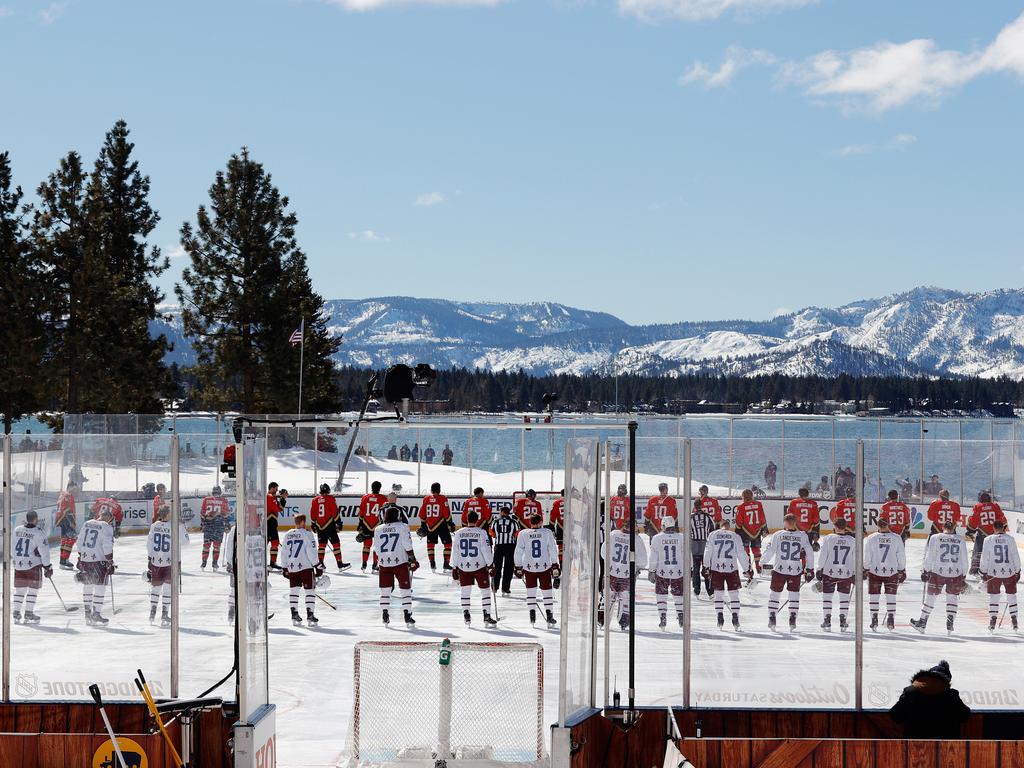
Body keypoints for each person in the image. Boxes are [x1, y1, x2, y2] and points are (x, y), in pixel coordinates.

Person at [912, 520, 968, 635]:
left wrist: (926, 571)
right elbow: (964, 559)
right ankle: (950, 623)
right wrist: (963, 574)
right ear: (954, 528)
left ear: (943, 527)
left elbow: (930, 556)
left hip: (938, 572)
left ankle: (922, 622)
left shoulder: (935, 537)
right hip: (955, 573)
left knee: (930, 598)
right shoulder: (960, 540)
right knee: (952, 598)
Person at [889, 660, 971, 738]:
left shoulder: (910, 692)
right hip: (945, 746)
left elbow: (895, 715)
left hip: (914, 745)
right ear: (946, 681)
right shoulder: (951, 695)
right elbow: (965, 716)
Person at [761, 513, 814, 632]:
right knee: (794, 595)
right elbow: (809, 553)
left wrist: (761, 561)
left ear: (785, 523)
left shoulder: (778, 534)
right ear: (795, 523)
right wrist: (810, 569)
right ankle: (792, 618)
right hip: (795, 570)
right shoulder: (803, 536)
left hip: (779, 569)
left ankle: (772, 617)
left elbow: (770, 551)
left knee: (774, 594)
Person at [373, 506, 419, 626]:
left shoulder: (378, 529)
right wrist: (413, 559)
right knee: (405, 590)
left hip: (384, 563)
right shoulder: (403, 527)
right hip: (400, 562)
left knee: (385, 591)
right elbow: (407, 545)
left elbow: (376, 549)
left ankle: (385, 614)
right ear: (397, 516)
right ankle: (407, 614)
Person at [702, 518, 750, 631]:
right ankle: (735, 617)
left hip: (716, 568)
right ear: (728, 526)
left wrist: (706, 565)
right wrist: (747, 568)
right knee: (734, 594)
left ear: (720, 526)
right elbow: (741, 554)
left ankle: (719, 617)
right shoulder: (735, 536)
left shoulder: (713, 535)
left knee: (718, 594)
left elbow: (708, 551)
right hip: (731, 568)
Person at [450, 511, 498, 626]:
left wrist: (454, 566)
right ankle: (486, 615)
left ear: (466, 519)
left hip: (463, 567)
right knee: (485, 591)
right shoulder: (481, 532)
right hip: (479, 567)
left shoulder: (459, 533)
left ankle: (466, 615)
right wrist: (491, 565)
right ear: (477, 520)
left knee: (465, 592)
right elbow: (486, 550)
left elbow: (455, 551)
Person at [513, 514, 559, 628]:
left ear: (530, 522)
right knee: (547, 592)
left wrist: (518, 566)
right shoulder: (547, 532)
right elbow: (553, 549)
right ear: (540, 522)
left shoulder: (523, 533)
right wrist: (555, 564)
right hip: (544, 566)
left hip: (529, 567)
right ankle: (549, 615)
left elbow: (518, 551)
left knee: (531, 592)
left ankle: (532, 615)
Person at [147, 506, 187, 627]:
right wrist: (182, 526)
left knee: (156, 588)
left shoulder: (154, 525)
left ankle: (152, 612)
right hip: (170, 562)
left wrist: (150, 558)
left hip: (156, 562)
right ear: (168, 514)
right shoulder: (174, 526)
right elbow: (185, 542)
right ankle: (164, 614)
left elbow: (149, 543)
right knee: (168, 589)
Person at [863, 518, 907, 632]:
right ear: (889, 525)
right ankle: (891, 618)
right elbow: (901, 556)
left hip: (874, 571)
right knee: (891, 596)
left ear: (878, 526)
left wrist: (865, 568)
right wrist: (902, 570)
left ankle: (874, 619)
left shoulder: (871, 538)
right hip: (891, 571)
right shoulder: (897, 538)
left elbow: (867, 556)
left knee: (874, 596)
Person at [605, 517, 647, 630]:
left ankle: (601, 619)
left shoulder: (613, 534)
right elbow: (643, 561)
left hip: (611, 572)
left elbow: (604, 552)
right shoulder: (636, 539)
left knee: (608, 597)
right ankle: (623, 622)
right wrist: (637, 568)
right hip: (627, 575)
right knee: (625, 599)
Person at [980, 519, 1021, 633]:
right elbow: (1015, 556)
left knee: (994, 597)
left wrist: (983, 572)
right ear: (1003, 528)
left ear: (993, 528)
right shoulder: (1010, 539)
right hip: (1009, 572)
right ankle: (1014, 621)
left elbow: (985, 557)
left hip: (994, 572)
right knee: (1011, 596)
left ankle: (992, 621)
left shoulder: (988, 540)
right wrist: (1018, 571)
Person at [76, 508, 115, 625]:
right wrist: (110, 560)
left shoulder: (87, 523)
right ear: (108, 517)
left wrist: (81, 555)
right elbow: (107, 544)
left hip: (85, 559)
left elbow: (79, 542)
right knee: (100, 587)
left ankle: (87, 614)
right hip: (99, 561)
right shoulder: (106, 526)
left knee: (87, 586)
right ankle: (96, 614)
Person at [282, 514, 322, 627]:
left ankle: (294, 613)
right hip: (305, 567)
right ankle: (310, 614)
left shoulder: (287, 534)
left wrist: (285, 567)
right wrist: (317, 565)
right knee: (310, 591)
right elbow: (311, 551)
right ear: (303, 522)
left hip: (292, 568)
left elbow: (284, 552)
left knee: (294, 591)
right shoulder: (307, 534)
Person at [816, 517, 855, 632]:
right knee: (844, 598)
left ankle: (827, 620)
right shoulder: (852, 540)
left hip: (830, 572)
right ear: (845, 527)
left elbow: (823, 555)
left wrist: (819, 569)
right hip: (846, 573)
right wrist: (854, 572)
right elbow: (854, 558)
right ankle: (843, 621)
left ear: (835, 527)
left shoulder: (829, 538)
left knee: (827, 597)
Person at [12, 510, 52, 624]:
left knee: (19, 590)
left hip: (18, 565)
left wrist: (17, 560)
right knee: (33, 590)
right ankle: (29, 613)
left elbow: (12, 548)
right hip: (32, 566)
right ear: (35, 519)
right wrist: (48, 566)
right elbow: (44, 552)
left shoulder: (17, 529)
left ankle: (16, 612)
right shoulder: (39, 532)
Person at [648, 516, 686, 630]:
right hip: (677, 571)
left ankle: (663, 617)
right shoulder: (681, 537)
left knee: (661, 595)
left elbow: (653, 557)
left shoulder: (657, 538)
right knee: (678, 595)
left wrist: (651, 570)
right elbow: (686, 555)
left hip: (662, 571)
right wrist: (689, 569)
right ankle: (680, 615)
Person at [310, 484, 350, 572]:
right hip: (329, 525)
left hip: (320, 526)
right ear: (328, 490)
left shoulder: (314, 500)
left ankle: (320, 564)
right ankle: (340, 564)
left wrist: (313, 524)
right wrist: (339, 523)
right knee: (336, 544)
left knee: (321, 546)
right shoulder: (331, 498)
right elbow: (334, 512)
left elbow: (313, 513)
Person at [418, 482, 455, 571]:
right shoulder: (443, 498)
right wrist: (450, 523)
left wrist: (423, 525)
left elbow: (422, 513)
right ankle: (446, 563)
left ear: (431, 490)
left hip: (430, 525)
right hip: (441, 524)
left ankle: (432, 563)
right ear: (439, 490)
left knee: (430, 545)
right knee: (448, 544)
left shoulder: (426, 498)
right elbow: (446, 512)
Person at [967, 492, 1006, 575]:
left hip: (982, 534)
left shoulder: (978, 506)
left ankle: (975, 570)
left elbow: (973, 521)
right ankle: (998, 569)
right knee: (995, 552)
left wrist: (970, 530)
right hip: (994, 534)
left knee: (978, 552)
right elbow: (1003, 519)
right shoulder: (995, 506)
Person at [734, 489, 768, 574]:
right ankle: (758, 566)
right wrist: (765, 529)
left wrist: (737, 532)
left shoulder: (741, 507)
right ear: (752, 496)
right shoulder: (759, 504)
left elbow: (739, 522)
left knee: (746, 550)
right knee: (756, 549)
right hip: (757, 530)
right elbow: (762, 518)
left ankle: (748, 568)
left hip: (745, 532)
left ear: (743, 497)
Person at [490, 504, 520, 596]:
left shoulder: (495, 521)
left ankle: (495, 587)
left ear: (501, 512)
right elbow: (517, 534)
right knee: (508, 568)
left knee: (497, 567)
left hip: (499, 546)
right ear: (508, 513)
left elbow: (491, 533)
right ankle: (505, 588)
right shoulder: (514, 522)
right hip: (510, 547)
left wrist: (497, 536)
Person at [358, 481, 388, 571]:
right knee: (377, 546)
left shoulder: (365, 497)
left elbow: (361, 513)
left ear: (371, 487)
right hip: (378, 525)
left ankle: (364, 563)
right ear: (379, 488)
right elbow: (385, 513)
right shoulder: (383, 499)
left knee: (366, 546)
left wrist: (360, 524)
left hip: (366, 524)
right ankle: (375, 564)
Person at [690, 497, 717, 596]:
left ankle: (696, 589)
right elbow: (713, 531)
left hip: (695, 544)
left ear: (694, 506)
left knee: (696, 567)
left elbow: (688, 532)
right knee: (707, 566)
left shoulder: (691, 517)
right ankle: (710, 590)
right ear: (702, 505)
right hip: (706, 544)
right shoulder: (708, 516)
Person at [199, 485, 229, 570]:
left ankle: (203, 563)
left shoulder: (206, 499)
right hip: (218, 525)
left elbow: (202, 513)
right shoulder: (224, 500)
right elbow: (226, 514)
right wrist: (227, 524)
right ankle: (214, 564)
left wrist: (203, 523)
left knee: (206, 545)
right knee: (216, 546)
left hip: (208, 524)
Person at [55, 480, 78, 570]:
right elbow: (67, 510)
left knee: (65, 540)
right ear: (70, 487)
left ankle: (63, 560)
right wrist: (72, 522)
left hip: (62, 520)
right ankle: (64, 560)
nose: (75, 491)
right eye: (74, 488)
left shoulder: (62, 494)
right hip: (66, 520)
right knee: (70, 540)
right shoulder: (68, 496)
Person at [789, 487, 821, 551]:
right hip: (808, 530)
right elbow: (816, 519)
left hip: (796, 530)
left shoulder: (793, 502)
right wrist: (811, 528)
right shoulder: (813, 503)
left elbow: (789, 516)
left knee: (788, 520)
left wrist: (795, 528)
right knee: (817, 523)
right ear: (808, 494)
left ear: (799, 494)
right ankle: (815, 540)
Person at [266, 482, 284, 570]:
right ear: (271, 488)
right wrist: (283, 499)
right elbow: (278, 509)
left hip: (270, 523)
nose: (277, 491)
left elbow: (279, 508)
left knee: (274, 543)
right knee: (274, 543)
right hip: (270, 523)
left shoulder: (272, 497)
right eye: (276, 489)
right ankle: (272, 563)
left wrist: (282, 499)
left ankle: (272, 563)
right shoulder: (270, 497)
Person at [549, 490, 564, 563]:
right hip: (572, 528)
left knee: (561, 547)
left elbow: (553, 517)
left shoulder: (557, 503)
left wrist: (551, 527)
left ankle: (561, 565)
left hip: (561, 527)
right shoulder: (574, 501)